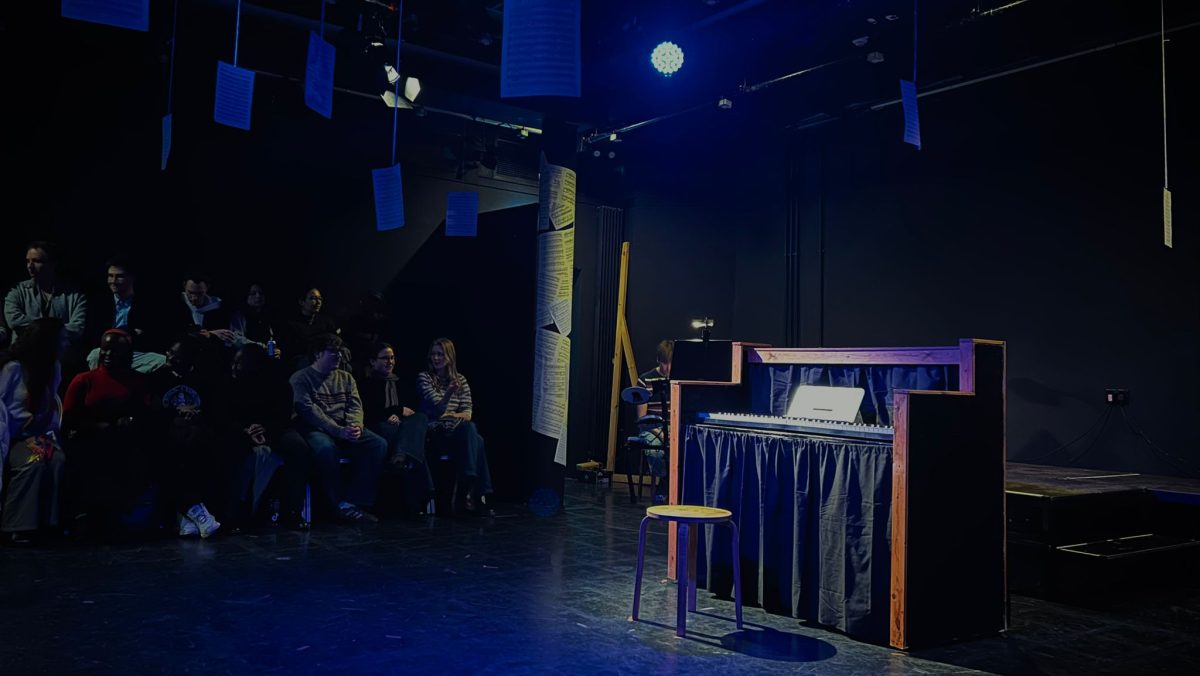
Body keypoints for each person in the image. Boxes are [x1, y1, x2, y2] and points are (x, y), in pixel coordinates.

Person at [62, 329, 153, 536]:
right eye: (105, 350)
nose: (109, 355)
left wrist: (130, 422)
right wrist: (95, 426)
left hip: (124, 441)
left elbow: (145, 415)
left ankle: (116, 514)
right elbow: (68, 419)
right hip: (89, 439)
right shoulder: (84, 380)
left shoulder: (137, 381)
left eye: (115, 351)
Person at [289, 333, 386, 522]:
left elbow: (355, 405)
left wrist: (355, 425)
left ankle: (355, 502)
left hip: (344, 427)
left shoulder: (346, 378)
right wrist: (338, 431)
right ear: (318, 354)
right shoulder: (301, 379)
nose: (338, 356)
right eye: (332, 352)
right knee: (326, 449)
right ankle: (337, 503)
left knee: (378, 444)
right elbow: (311, 413)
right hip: (317, 429)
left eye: (339, 352)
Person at [219, 344, 310, 530]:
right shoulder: (228, 383)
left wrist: (265, 429)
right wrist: (246, 431)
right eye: (234, 363)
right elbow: (222, 414)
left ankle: (292, 511)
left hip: (272, 428)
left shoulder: (278, 384)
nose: (234, 368)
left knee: (298, 447)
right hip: (240, 429)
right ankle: (232, 514)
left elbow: (284, 415)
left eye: (240, 363)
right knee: (230, 447)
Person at [146, 337, 226, 538]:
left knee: (200, 452)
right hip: (166, 435)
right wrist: (176, 413)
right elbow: (151, 413)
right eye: (169, 353)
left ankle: (184, 517)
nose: (170, 358)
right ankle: (197, 512)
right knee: (173, 459)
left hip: (196, 435)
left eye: (177, 356)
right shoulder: (156, 379)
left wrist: (195, 414)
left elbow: (215, 413)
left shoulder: (204, 381)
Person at [0, 318, 68, 544]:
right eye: (61, 339)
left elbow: (51, 404)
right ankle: (19, 525)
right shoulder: (13, 369)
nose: (65, 343)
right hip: (13, 435)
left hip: (39, 431)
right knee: (34, 460)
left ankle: (50, 523)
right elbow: (4, 408)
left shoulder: (53, 368)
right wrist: (25, 429)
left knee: (57, 458)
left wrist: (42, 430)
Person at [417, 338, 493, 515]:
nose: (436, 358)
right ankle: (475, 492)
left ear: (450, 356)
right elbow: (436, 411)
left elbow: (467, 413)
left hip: (457, 431)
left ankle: (469, 483)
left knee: (470, 430)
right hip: (434, 432)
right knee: (477, 440)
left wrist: (451, 415)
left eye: (440, 354)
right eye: (433, 354)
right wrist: (449, 394)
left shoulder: (461, 380)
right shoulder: (424, 378)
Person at [361, 342, 432, 515]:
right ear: (372, 361)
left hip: (403, 426)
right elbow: (369, 412)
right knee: (414, 446)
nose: (390, 362)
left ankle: (400, 455)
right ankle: (424, 494)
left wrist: (399, 415)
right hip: (379, 427)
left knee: (420, 418)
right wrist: (395, 412)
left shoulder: (402, 383)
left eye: (392, 358)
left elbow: (412, 411)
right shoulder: (366, 384)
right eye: (384, 358)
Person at [85, 255, 167, 373]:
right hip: (106, 352)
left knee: (162, 361)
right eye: (110, 276)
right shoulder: (99, 303)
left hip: (134, 353)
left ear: (132, 278)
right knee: (93, 356)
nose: (113, 281)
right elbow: (94, 333)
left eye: (119, 277)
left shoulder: (146, 303)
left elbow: (150, 335)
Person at [4, 241, 87, 347]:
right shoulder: (17, 291)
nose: (30, 266)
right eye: (28, 261)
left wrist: (38, 329)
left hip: (59, 357)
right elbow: (14, 320)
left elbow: (77, 328)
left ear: (52, 264)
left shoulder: (74, 295)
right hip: (24, 354)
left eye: (37, 261)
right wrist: (54, 329)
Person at [636, 340, 673, 500]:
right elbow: (642, 419)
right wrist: (661, 432)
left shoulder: (679, 380)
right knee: (656, 450)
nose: (668, 368)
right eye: (665, 363)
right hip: (652, 427)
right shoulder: (645, 380)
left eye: (670, 363)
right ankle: (665, 483)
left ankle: (669, 485)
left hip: (673, 426)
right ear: (659, 361)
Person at [282, 287, 338, 369]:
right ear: (301, 302)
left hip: (324, 356)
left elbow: (335, 338)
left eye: (320, 299)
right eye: (313, 298)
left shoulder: (326, 321)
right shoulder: (292, 324)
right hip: (304, 359)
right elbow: (293, 348)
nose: (318, 302)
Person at [229, 283, 280, 357]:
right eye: (253, 293)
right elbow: (237, 339)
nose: (258, 296)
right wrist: (259, 346)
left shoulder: (267, 315)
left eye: (261, 293)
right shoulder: (240, 315)